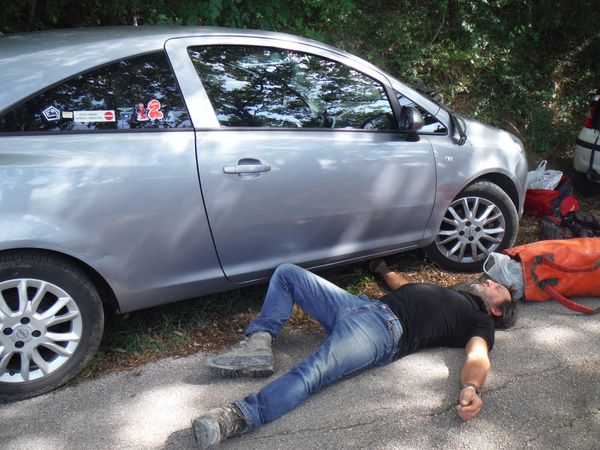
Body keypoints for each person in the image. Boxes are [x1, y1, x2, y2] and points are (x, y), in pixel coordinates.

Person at [192, 260, 517, 448]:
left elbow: (477, 357)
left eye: (498, 287)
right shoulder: (453, 296)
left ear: (497, 311)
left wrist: (471, 388)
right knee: (288, 273)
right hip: (360, 305)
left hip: (381, 332)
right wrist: (383, 268)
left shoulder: (479, 321)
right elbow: (403, 285)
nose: (490, 282)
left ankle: (237, 417)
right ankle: (259, 342)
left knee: (312, 372)